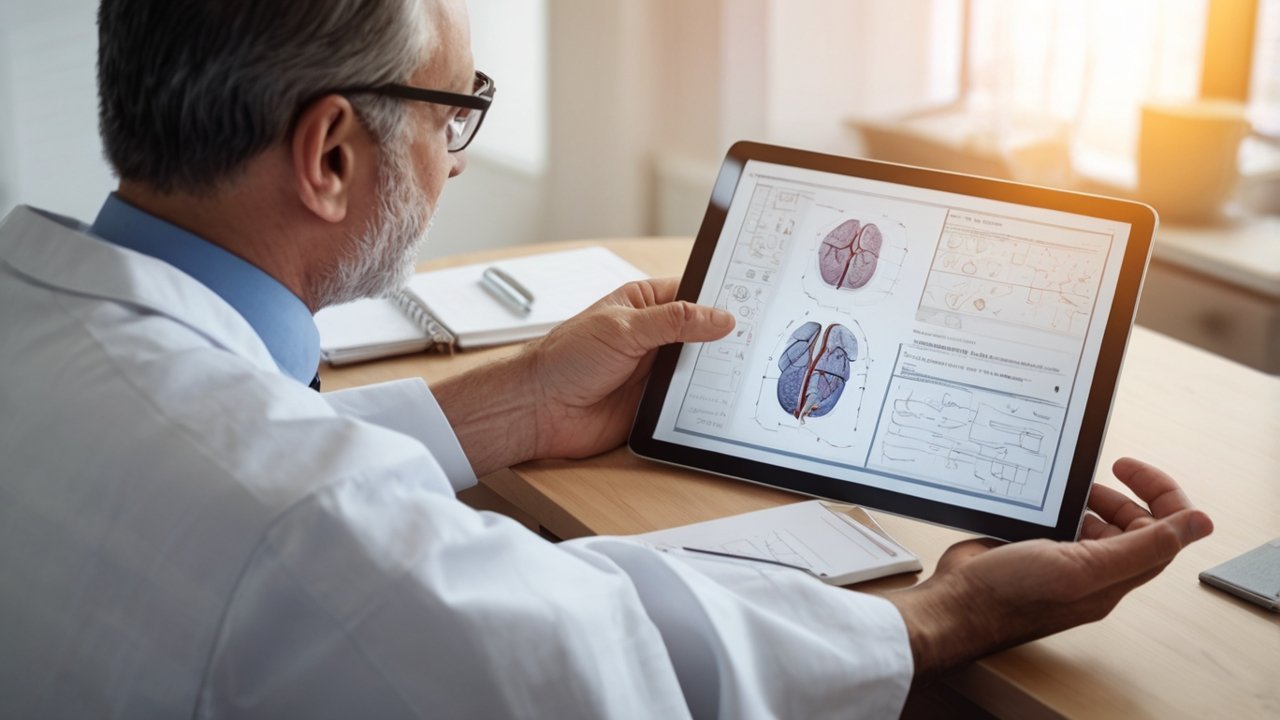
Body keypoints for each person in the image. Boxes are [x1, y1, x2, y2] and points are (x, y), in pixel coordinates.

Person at [0, 0, 1213, 717]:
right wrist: (948, 612)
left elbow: (212, 441)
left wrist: (516, 403)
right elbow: (595, 670)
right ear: (329, 157)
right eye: (450, 113)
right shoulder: (313, 527)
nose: (455, 156)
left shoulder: (42, 322)